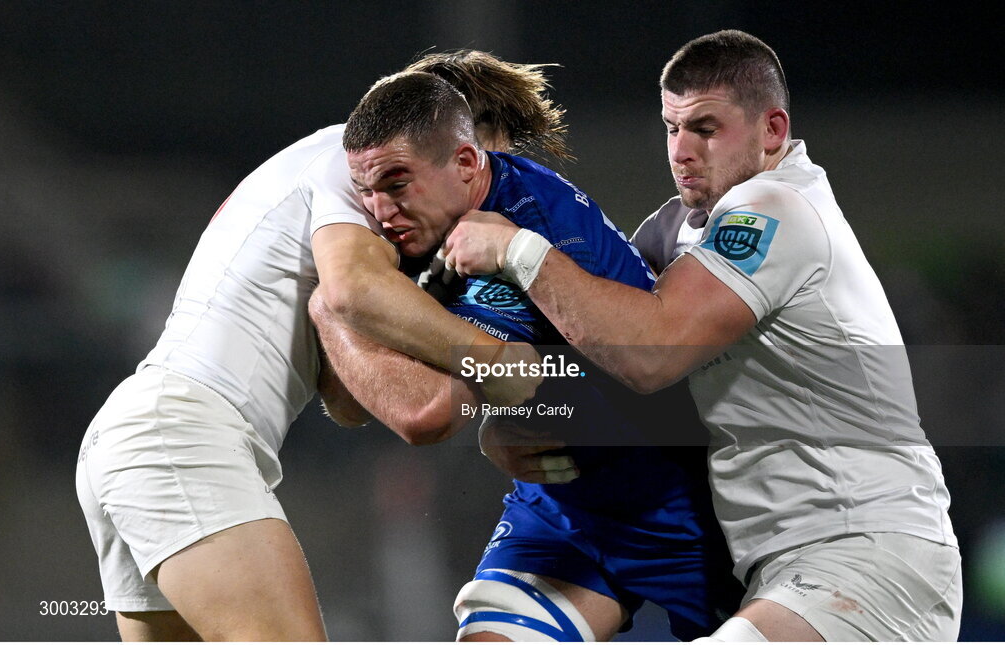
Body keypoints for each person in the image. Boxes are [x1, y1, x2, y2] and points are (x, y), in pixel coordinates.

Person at [443, 30, 962, 642]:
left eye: (706, 129)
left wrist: (515, 246)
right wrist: (512, 419)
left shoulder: (780, 208)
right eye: (671, 128)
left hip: (867, 550)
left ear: (772, 130)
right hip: (766, 566)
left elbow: (648, 354)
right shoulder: (677, 228)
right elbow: (597, 354)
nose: (681, 151)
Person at [74, 51, 558, 641]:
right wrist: (502, 363)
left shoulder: (359, 218)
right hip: (182, 434)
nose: (490, 192)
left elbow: (351, 400)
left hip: (139, 436)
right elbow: (353, 292)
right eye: (485, 165)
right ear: (445, 131)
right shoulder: (345, 162)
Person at [314, 69, 741, 642]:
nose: (379, 211)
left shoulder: (502, 236)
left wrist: (332, 307)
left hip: (673, 514)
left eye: (395, 184)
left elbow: (422, 412)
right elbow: (349, 402)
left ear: (466, 162)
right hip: (560, 511)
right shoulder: (447, 215)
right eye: (365, 191)